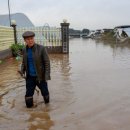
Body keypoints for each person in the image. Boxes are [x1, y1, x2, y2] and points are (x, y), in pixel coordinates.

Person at [20, 31, 51, 108]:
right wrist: (22, 70)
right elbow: (24, 62)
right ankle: (30, 113)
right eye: (28, 39)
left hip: (41, 76)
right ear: (25, 41)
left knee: (45, 93)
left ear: (33, 38)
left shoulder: (41, 49)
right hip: (30, 77)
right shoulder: (24, 50)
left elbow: (47, 63)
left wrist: (46, 76)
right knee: (28, 96)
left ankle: (47, 109)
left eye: (31, 38)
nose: (30, 41)